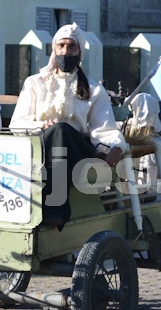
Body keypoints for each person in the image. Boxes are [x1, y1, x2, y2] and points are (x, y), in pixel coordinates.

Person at [10, 22, 128, 227]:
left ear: (80, 52)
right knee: (56, 132)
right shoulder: (34, 83)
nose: (66, 51)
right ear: (54, 49)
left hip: (77, 155)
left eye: (72, 46)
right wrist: (41, 126)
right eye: (61, 46)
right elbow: (18, 124)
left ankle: (56, 208)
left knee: (62, 131)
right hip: (39, 149)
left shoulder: (94, 90)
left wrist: (116, 147)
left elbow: (104, 129)